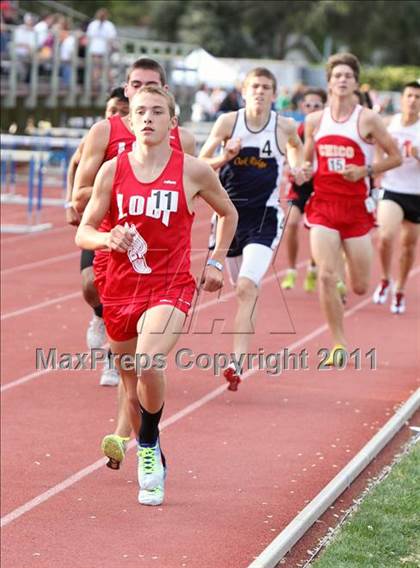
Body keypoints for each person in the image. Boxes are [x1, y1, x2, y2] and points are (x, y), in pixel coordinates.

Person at [75, 86, 238, 506]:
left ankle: (145, 449)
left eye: (157, 112)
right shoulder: (113, 171)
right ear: (129, 122)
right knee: (132, 390)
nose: (147, 118)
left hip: (170, 284)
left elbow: (228, 212)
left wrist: (217, 261)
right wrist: (108, 237)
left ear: (172, 122)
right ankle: (155, 447)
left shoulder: (193, 170)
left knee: (149, 363)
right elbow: (84, 230)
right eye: (140, 112)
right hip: (121, 288)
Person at [72, 57, 196, 467]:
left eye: (153, 87)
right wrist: (87, 201)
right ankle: (136, 434)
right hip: (114, 247)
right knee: (125, 356)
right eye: (137, 86)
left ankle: (133, 436)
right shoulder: (105, 132)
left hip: (161, 261)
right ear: (127, 90)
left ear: (166, 96)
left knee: (145, 361)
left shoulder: (179, 141)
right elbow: (83, 187)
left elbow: (193, 182)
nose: (145, 96)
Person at [199, 67, 309, 391]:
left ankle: (236, 362)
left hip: (265, 217)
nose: (260, 92)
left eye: (266, 87)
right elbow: (200, 164)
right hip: (228, 216)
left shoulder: (284, 126)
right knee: (238, 285)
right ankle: (241, 337)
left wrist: (299, 166)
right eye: (254, 86)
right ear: (244, 91)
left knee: (247, 286)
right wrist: (225, 155)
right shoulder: (227, 123)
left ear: (275, 94)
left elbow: (296, 149)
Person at [303, 53, 402, 365]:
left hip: (357, 210)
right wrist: (303, 170)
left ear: (356, 83)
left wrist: (365, 171)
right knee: (326, 276)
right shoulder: (314, 121)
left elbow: (395, 157)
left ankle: (346, 277)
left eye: (348, 75)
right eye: (337, 76)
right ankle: (338, 343)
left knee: (359, 286)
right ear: (329, 83)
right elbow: (307, 161)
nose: (342, 80)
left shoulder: (368, 119)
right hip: (323, 207)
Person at [66, 88, 129, 388]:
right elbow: (75, 165)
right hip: (100, 224)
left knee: (126, 304)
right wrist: (70, 203)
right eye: (111, 109)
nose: (115, 115)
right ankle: (98, 316)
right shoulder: (98, 135)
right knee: (90, 284)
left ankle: (114, 361)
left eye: (121, 109)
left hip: (136, 230)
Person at [372, 81, 420, 314]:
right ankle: (384, 278)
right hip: (393, 189)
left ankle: (400, 289)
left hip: (417, 194)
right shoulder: (390, 124)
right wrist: (380, 163)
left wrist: (418, 156)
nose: (413, 100)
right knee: (385, 236)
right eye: (409, 95)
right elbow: (377, 147)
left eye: (417, 97)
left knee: (408, 246)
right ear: (402, 99)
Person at [281, 88, 327, 293]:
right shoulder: (298, 130)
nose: (312, 109)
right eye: (308, 105)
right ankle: (291, 269)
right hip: (301, 185)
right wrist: (294, 171)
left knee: (317, 230)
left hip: (322, 184)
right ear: (302, 107)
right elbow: (288, 155)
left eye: (317, 106)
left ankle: (313, 266)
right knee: (291, 223)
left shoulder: (328, 130)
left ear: (323, 108)